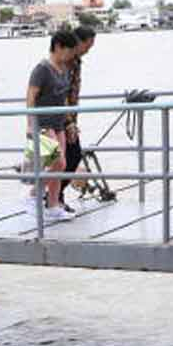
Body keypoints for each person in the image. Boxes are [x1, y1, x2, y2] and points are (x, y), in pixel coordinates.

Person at [24, 29, 79, 222]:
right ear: (58, 47)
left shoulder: (64, 70)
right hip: (43, 121)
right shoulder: (42, 69)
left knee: (60, 167)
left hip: (58, 123)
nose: (72, 55)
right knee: (59, 162)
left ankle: (53, 205)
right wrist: (30, 124)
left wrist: (69, 122)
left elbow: (62, 99)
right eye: (69, 50)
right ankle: (33, 194)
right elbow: (30, 97)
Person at [63, 24, 110, 207]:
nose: (88, 51)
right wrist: (68, 121)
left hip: (69, 116)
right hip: (61, 118)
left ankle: (52, 199)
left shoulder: (76, 62)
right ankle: (51, 199)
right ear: (78, 42)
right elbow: (61, 93)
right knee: (69, 158)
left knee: (68, 158)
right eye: (88, 46)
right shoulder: (66, 62)